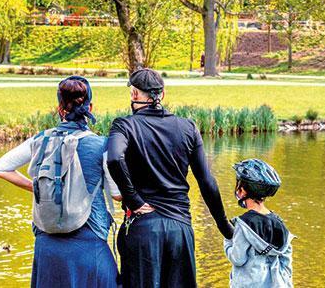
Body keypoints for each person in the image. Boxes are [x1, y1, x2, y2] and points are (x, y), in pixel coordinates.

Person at [106, 68, 233, 287]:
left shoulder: (124, 125)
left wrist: (134, 199)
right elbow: (206, 182)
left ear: (135, 95)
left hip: (143, 228)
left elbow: (115, 159)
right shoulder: (188, 127)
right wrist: (225, 227)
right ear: (162, 94)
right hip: (180, 229)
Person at [0, 77, 121, 288]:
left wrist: (37, 188)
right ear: (90, 107)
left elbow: (0, 167)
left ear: (59, 108)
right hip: (89, 245)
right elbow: (116, 193)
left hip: (47, 247)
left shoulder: (39, 140)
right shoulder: (102, 145)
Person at [225, 159, 294, 288]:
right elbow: (286, 261)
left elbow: (238, 259)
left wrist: (228, 241)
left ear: (243, 191)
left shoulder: (243, 224)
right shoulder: (279, 223)